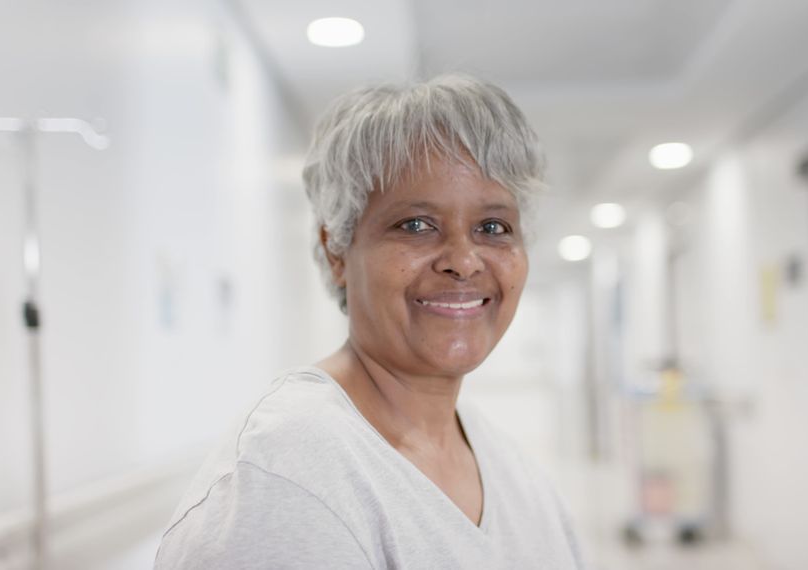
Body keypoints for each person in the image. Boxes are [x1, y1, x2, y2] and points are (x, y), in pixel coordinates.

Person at [154, 74, 584, 569]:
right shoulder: (290, 478)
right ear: (337, 248)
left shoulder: (507, 466)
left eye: (493, 227)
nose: (464, 261)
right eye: (416, 225)